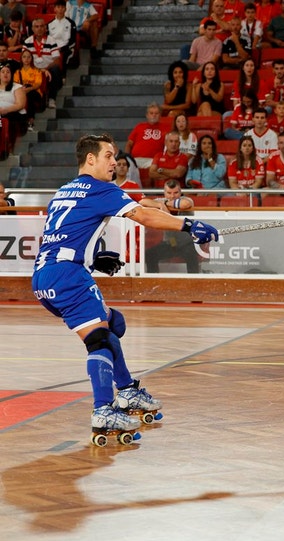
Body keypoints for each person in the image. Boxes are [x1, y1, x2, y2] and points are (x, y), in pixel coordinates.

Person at [31, 134, 218, 438]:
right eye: (108, 156)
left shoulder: (64, 191)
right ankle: (104, 409)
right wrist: (188, 225)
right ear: (90, 159)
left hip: (44, 277)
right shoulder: (100, 188)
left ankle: (128, 390)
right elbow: (142, 215)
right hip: (67, 275)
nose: (115, 162)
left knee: (113, 323)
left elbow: (66, 232)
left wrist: (94, 257)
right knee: (101, 340)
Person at [139, 179, 204, 273]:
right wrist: (158, 204)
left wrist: (164, 204)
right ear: (164, 193)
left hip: (187, 243)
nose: (172, 196)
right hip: (169, 243)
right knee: (150, 254)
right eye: (169, 193)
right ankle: (153, 282)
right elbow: (142, 202)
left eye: (176, 193)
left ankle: (195, 283)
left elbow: (185, 204)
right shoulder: (160, 201)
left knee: (191, 255)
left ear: (180, 192)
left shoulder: (186, 199)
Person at [23, 18, 63, 109]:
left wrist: (45, 69)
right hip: (33, 68)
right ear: (32, 29)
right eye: (36, 27)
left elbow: (56, 60)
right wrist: (37, 69)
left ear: (45, 28)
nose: (39, 29)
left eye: (41, 26)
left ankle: (52, 99)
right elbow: (24, 59)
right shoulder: (27, 42)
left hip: (48, 68)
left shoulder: (51, 40)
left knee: (55, 69)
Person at [14, 49, 43, 132]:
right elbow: (15, 84)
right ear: (21, 59)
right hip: (22, 92)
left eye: (29, 57)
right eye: (24, 57)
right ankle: (25, 121)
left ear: (32, 59)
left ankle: (30, 120)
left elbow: (38, 84)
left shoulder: (36, 70)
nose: (26, 59)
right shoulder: (17, 72)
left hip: (35, 93)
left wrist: (28, 89)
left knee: (29, 95)